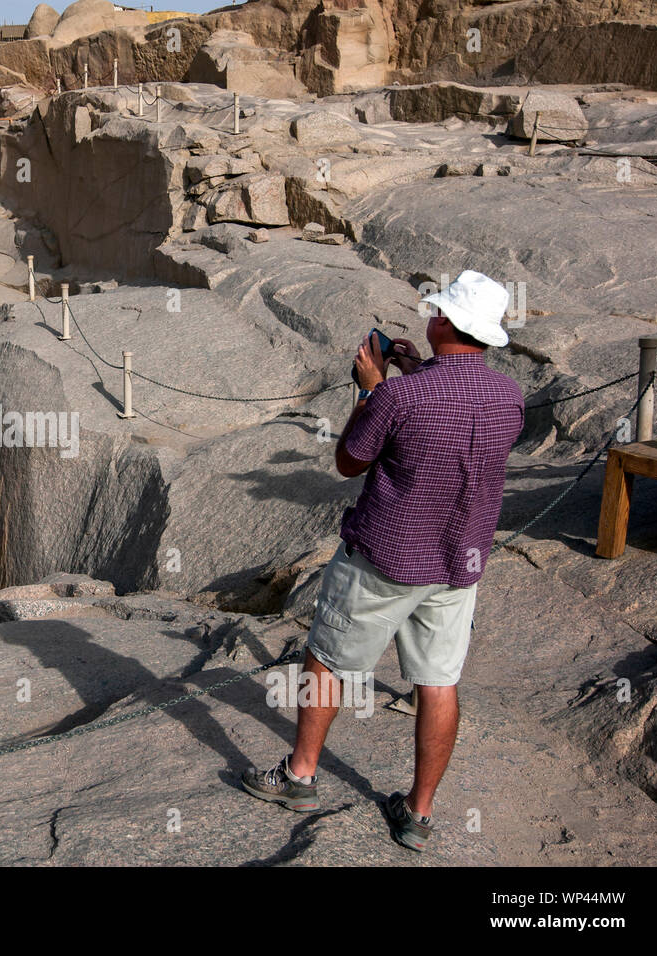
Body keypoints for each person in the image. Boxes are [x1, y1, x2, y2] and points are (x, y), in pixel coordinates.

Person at [239, 270, 525, 852]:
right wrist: (417, 370)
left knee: (326, 660)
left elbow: (350, 460)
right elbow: (454, 414)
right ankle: (418, 813)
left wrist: (372, 390)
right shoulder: (509, 397)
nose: (431, 315)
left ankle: (300, 777)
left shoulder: (400, 396)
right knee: (438, 683)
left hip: (385, 559)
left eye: (437, 310)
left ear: (445, 322)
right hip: (458, 563)